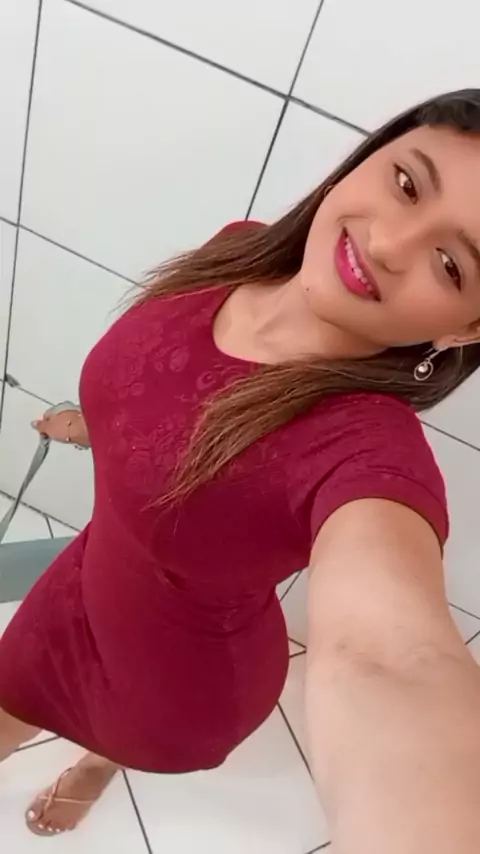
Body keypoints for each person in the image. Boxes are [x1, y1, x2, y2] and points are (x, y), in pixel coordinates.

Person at [1, 87, 480, 851]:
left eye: (450, 264)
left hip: (178, 684)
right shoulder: (235, 250)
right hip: (82, 583)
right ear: (368, 157)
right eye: (406, 183)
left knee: (118, 735)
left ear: (466, 328)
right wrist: (90, 425)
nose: (391, 244)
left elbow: (393, 659)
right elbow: (163, 407)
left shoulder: (365, 449)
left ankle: (99, 763)